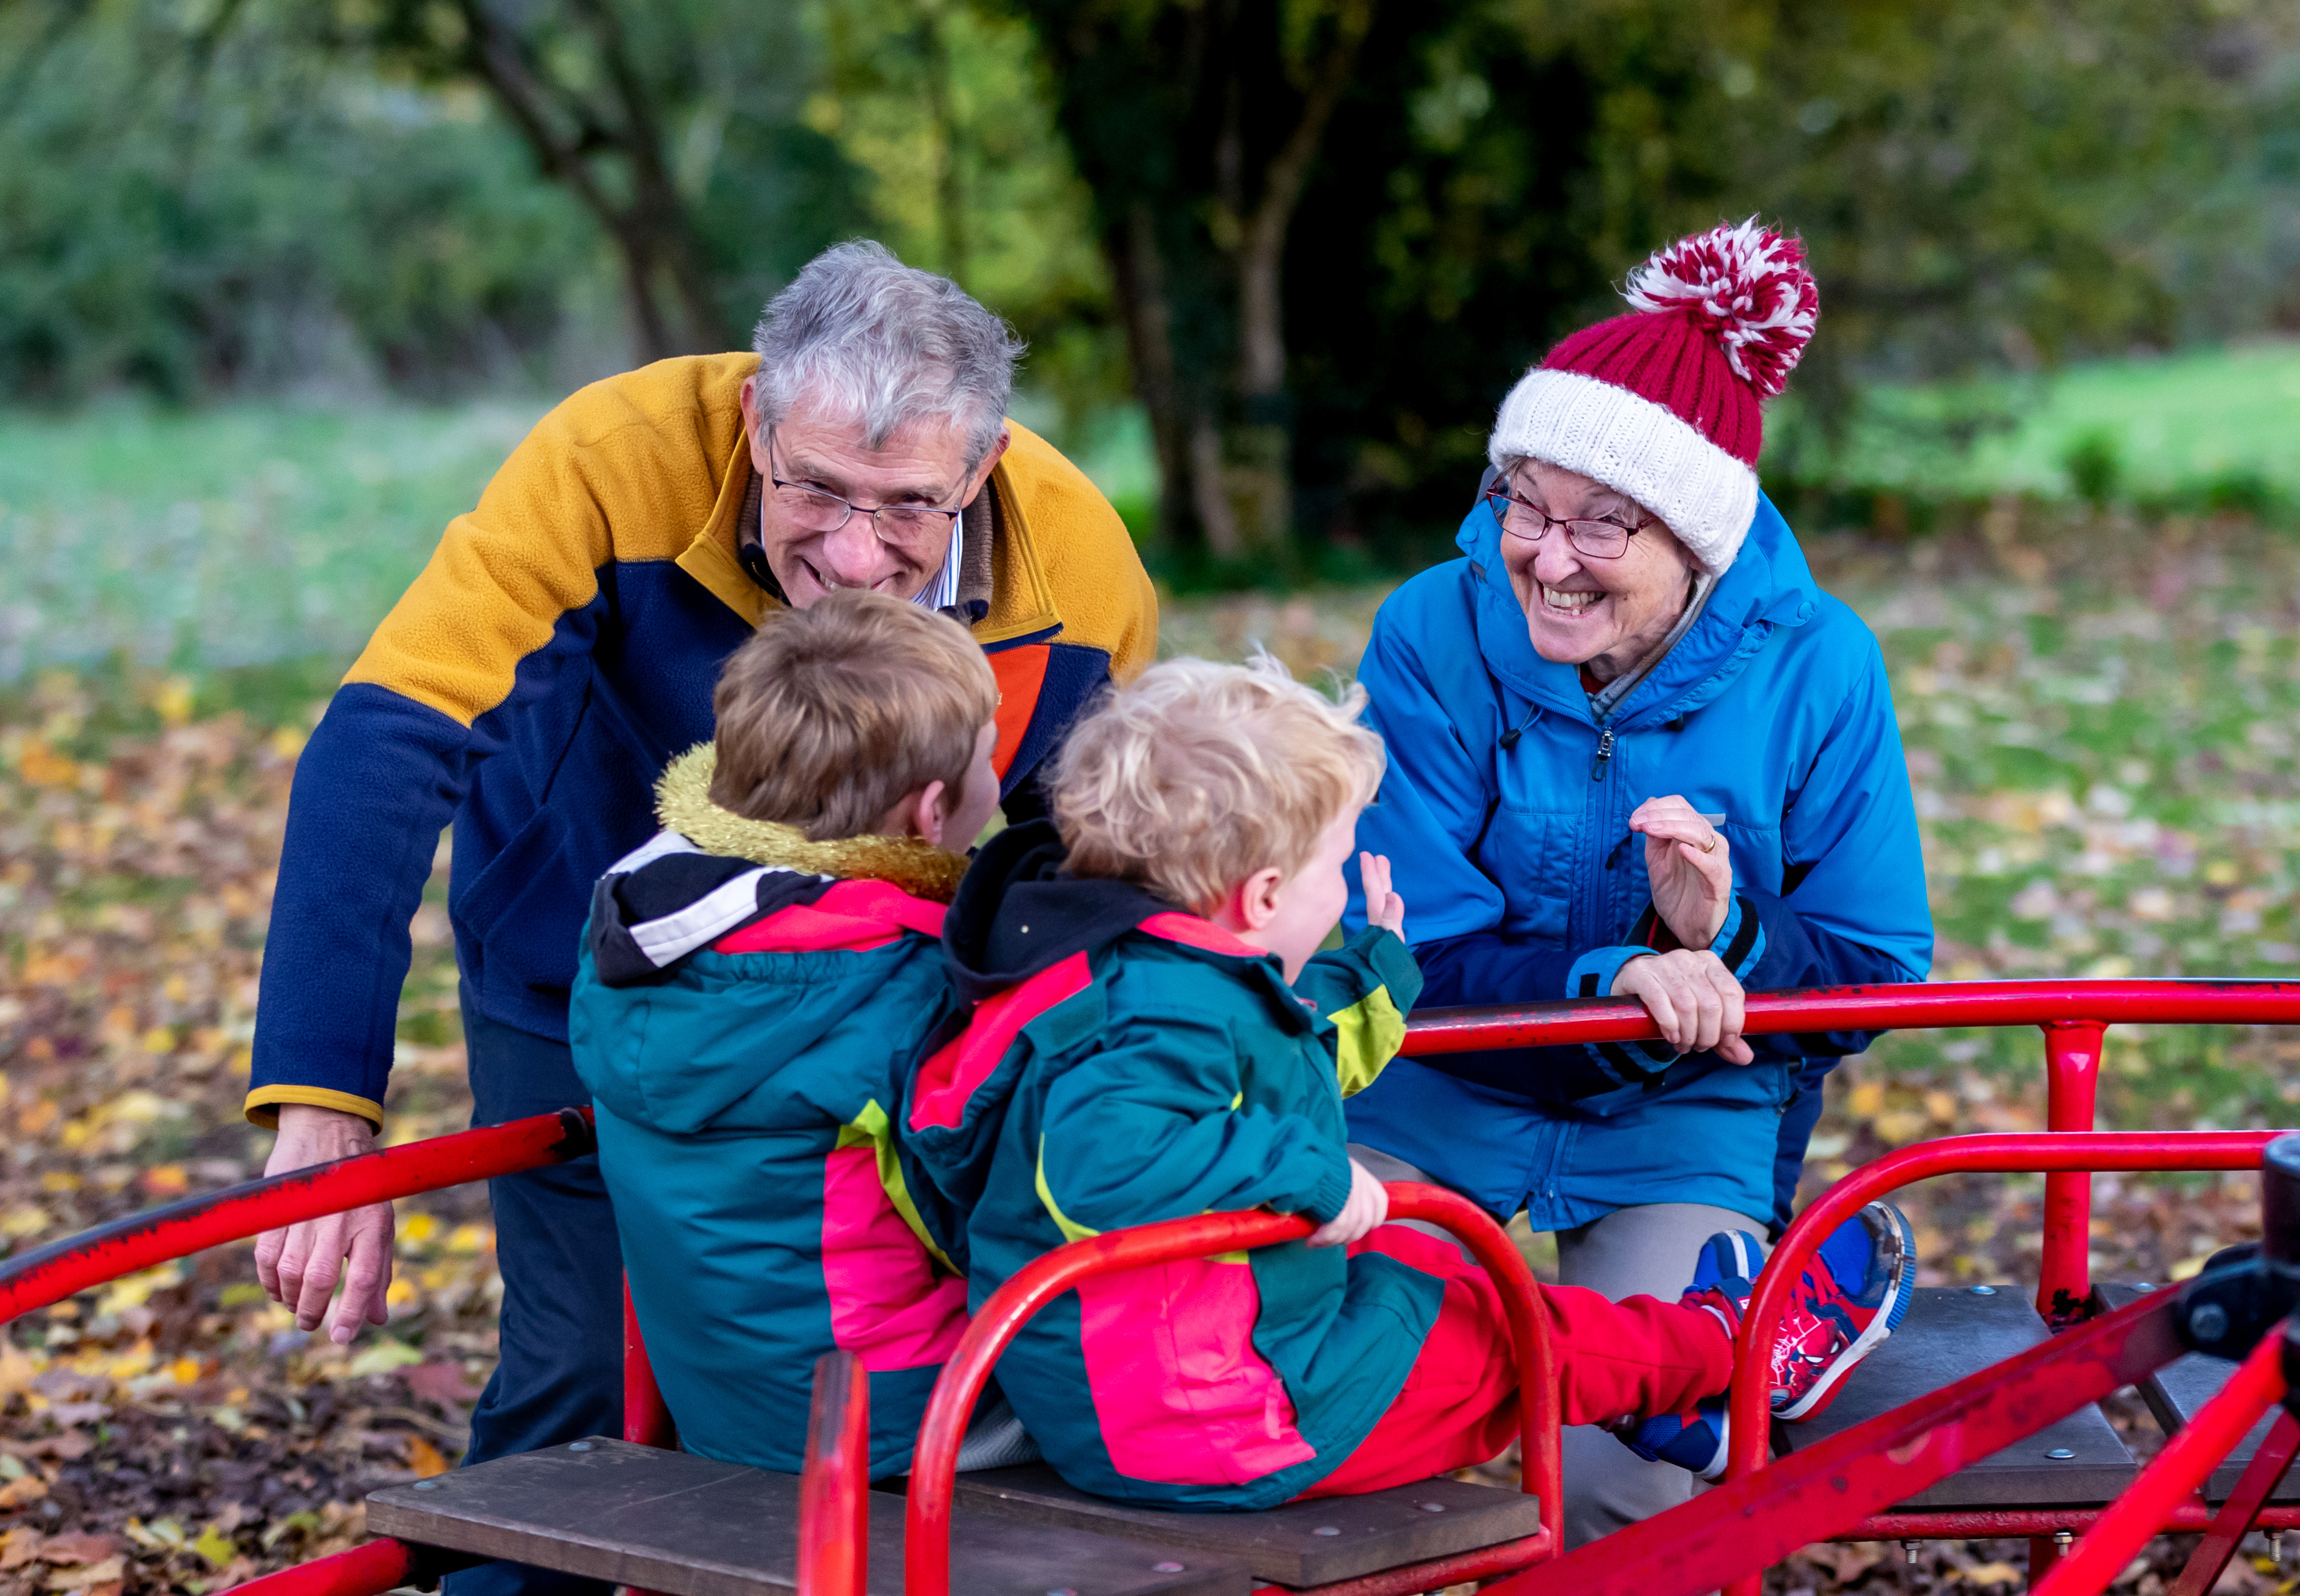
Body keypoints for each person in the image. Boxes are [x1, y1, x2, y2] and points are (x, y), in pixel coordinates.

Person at [244, 243, 1155, 1596]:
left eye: (907, 506)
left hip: (896, 1021)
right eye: (816, 491)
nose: (852, 556)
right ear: (753, 423)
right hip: (597, 974)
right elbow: (390, 737)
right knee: (577, 1367)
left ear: (980, 467)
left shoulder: (1076, 562)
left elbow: (1089, 849)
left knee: (877, 1384)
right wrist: (323, 1096)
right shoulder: (612, 460)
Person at [902, 656, 1916, 1508]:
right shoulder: (1157, 1020)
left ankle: (1657, 1400)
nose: (1343, 886)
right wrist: (1314, 1174)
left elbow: (1271, 1053)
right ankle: (1740, 1349)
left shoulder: (1111, 976)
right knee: (1507, 1330)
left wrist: (1375, 965)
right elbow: (1102, 1159)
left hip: (1139, 1389)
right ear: (1258, 898)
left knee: (1444, 1295)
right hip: (1228, 1411)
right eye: (1333, 867)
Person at [1340, 219, 1932, 1542]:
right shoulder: (1429, 631)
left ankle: (1727, 1342)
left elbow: (1874, 968)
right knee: (1334, 1399)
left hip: (1687, 1114)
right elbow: (1410, 947)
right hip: (1445, 1083)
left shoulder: (1820, 664)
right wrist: (1624, 980)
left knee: (1632, 1487)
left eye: (1600, 525)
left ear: (1700, 540)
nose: (1546, 557)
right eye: (1524, 506)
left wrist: (1728, 934)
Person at [569, 590, 1031, 1476]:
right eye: (988, 757)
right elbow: (1009, 1216)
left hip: (725, 1411)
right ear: (929, 814)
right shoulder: (910, 985)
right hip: (910, 1422)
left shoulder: (636, 935)